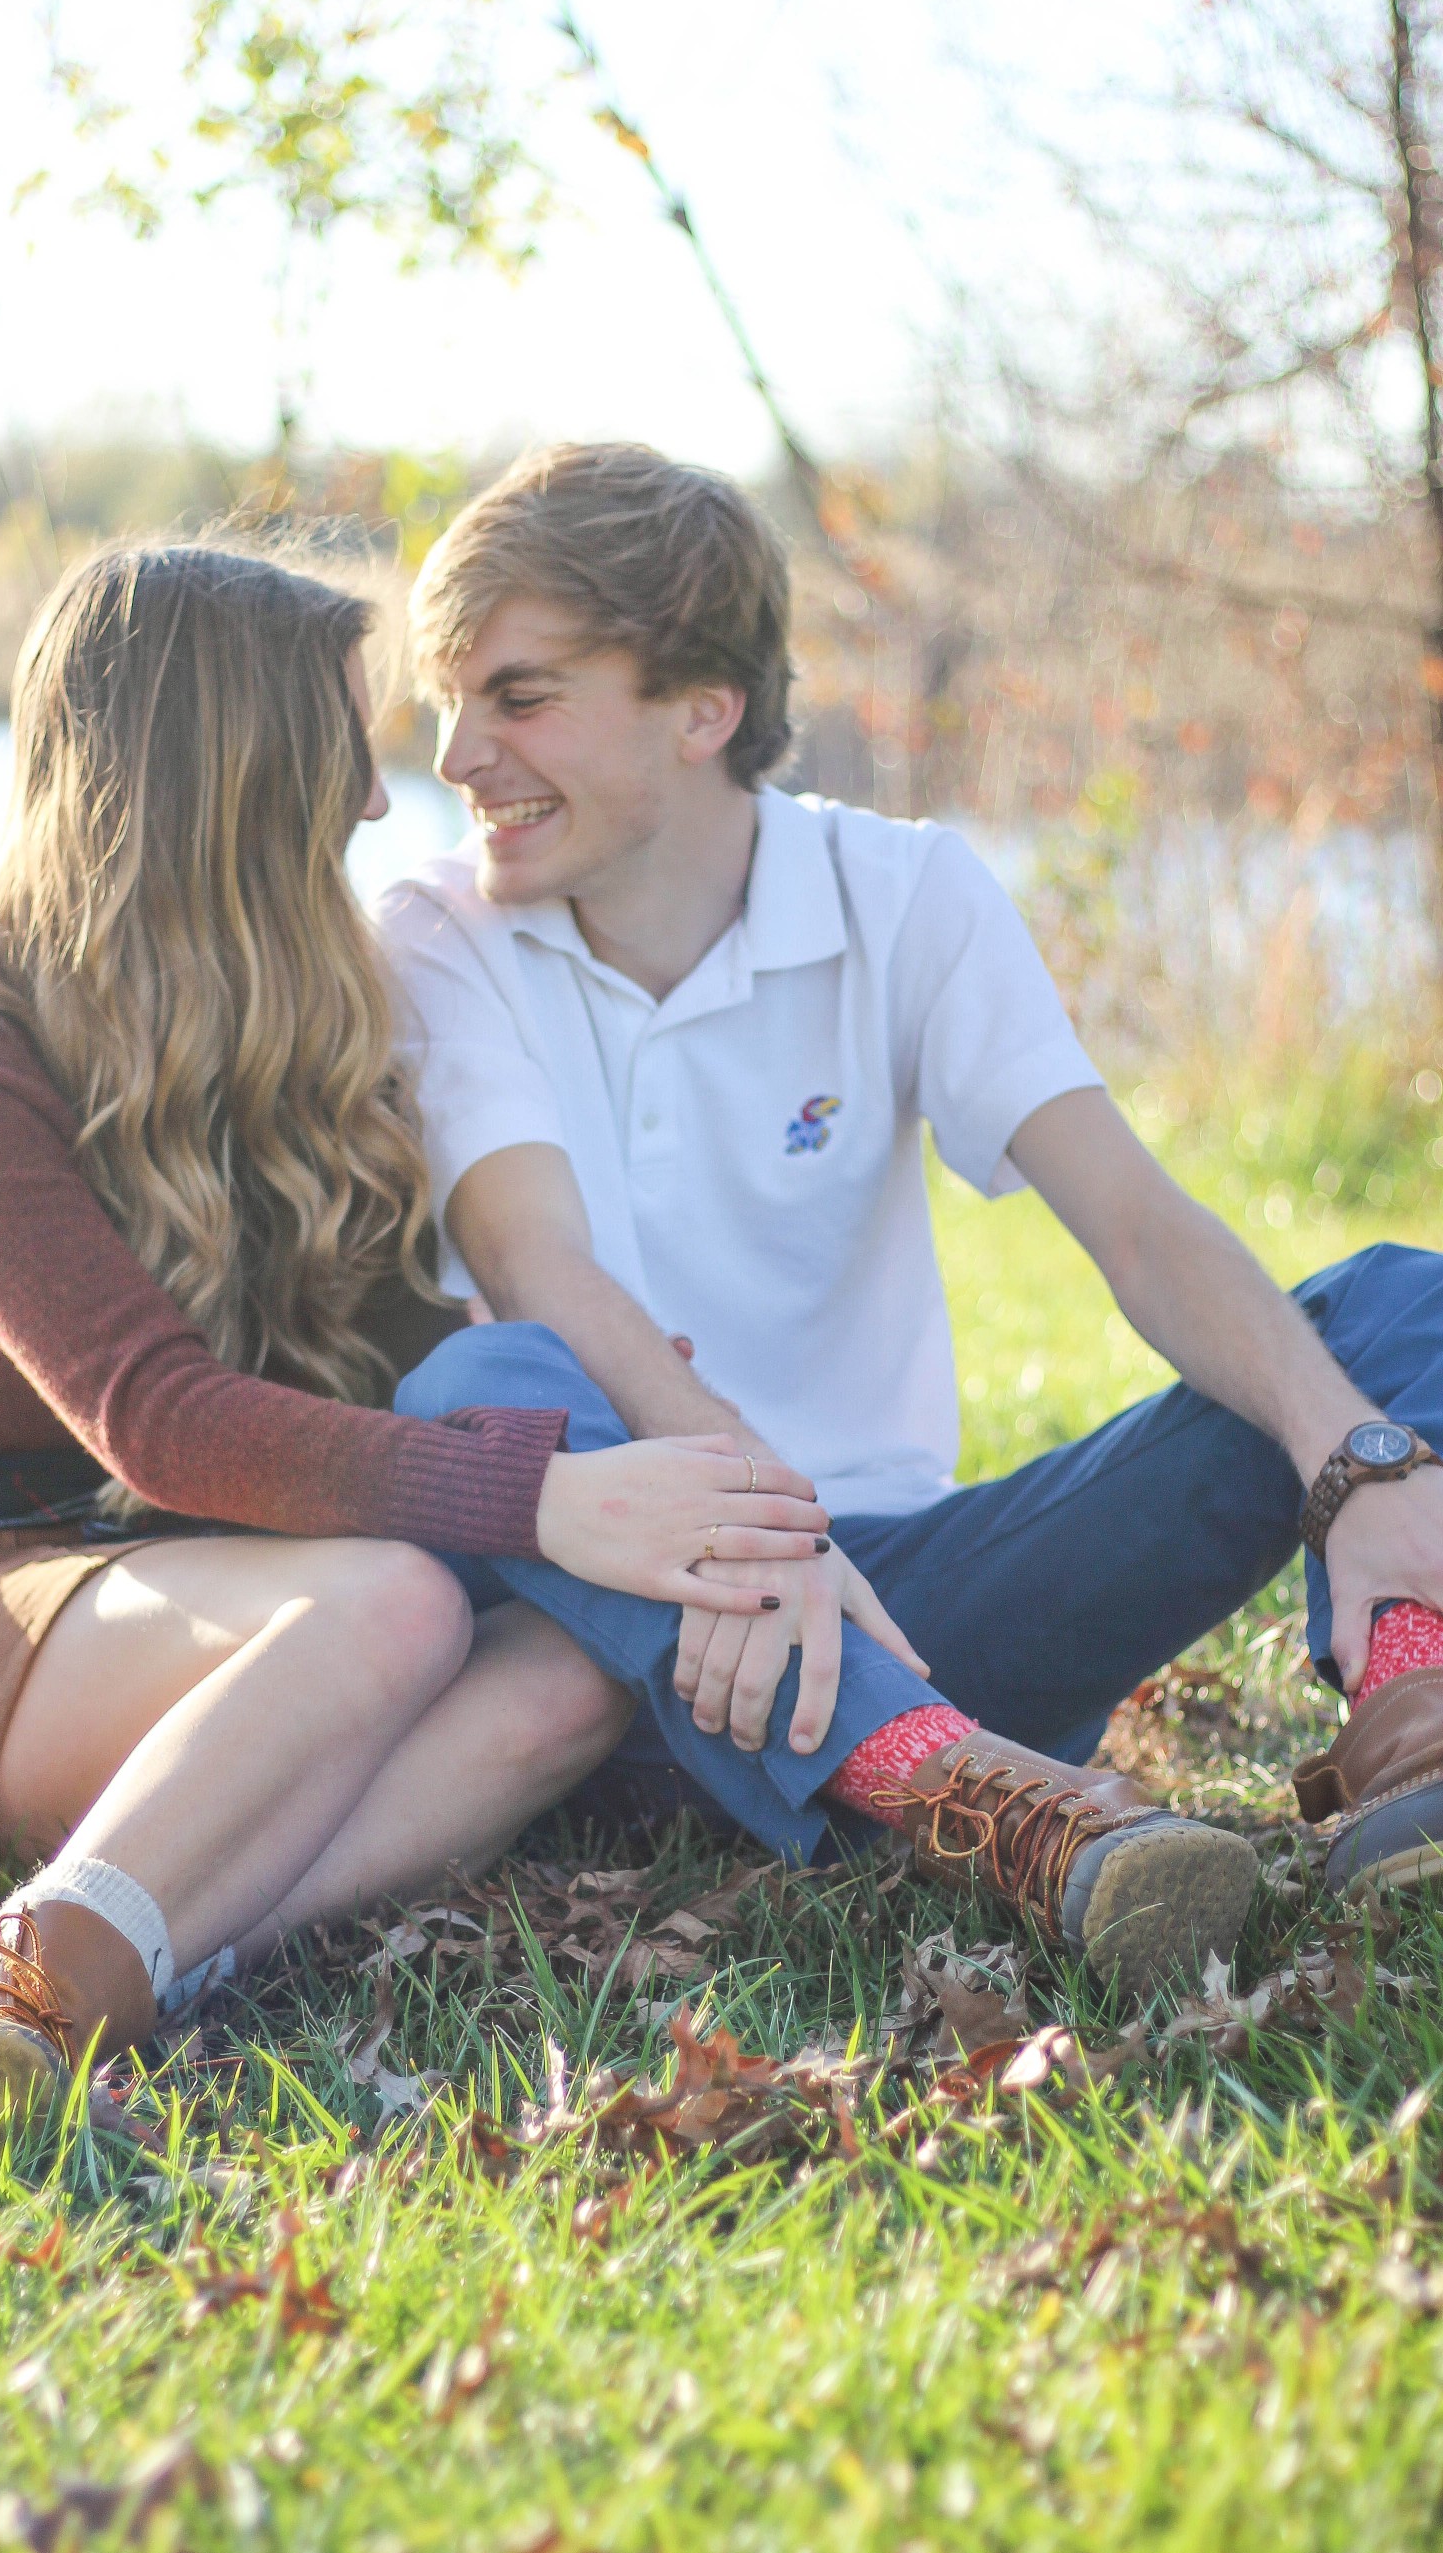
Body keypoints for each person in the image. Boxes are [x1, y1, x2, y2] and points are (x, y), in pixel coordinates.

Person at [0, 540, 834, 2151]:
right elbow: (153, 1422)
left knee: (570, 1677)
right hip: (2, 1604)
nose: (383, 804)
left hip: (249, 1603)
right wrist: (536, 1504)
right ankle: (24, 1994)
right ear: (225, 765)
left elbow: (401, 1334)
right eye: (346, 746)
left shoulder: (313, 1016)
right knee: (393, 1597)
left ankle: (30, 1978)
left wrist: (690, 1483)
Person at [375, 439, 1443, 1950]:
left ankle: (1415, 1709)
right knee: (485, 1376)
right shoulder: (437, 935)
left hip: (916, 1610)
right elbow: (538, 1266)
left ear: (703, 709)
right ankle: (963, 1794)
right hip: (619, 1652)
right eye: (450, 702)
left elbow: (1132, 1221)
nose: (459, 755)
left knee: (1398, 1312)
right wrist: (767, 1541)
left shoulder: (905, 896)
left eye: (520, 696)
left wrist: (1358, 1467)